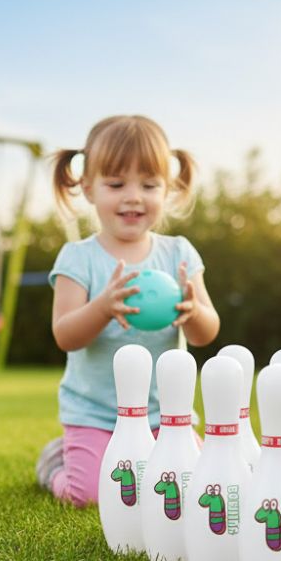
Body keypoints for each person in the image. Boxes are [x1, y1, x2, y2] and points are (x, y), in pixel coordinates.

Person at [36, 115, 220, 507]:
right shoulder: (79, 257)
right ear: (88, 189)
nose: (133, 196)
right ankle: (55, 463)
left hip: (165, 414)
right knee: (90, 495)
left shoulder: (179, 253)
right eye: (117, 184)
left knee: (193, 485)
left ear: (167, 190)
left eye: (149, 185)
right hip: (96, 415)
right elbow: (65, 335)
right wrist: (102, 307)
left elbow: (208, 333)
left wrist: (194, 312)